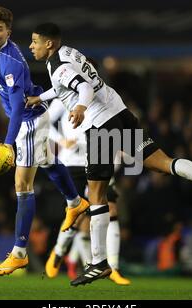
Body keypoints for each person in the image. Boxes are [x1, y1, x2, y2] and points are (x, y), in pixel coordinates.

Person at [27, 22, 192, 286]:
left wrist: (79, 107)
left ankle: (98, 263)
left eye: (35, 41)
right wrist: (41, 97)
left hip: (100, 124)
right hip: (120, 114)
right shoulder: (69, 53)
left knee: (97, 196)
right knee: (163, 163)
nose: (31, 46)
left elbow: (83, 89)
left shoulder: (58, 65)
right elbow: (67, 85)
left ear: (49, 44)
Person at [0, 7, 89, 276]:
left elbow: (18, 108)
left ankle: (19, 252)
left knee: (22, 184)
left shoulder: (11, 64)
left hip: (28, 122)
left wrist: (8, 144)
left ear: (8, 32)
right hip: (29, 119)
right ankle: (76, 202)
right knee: (47, 160)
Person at [45, 98, 130, 285]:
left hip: (98, 157)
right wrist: (61, 140)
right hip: (73, 163)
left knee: (111, 208)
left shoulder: (100, 95)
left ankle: (113, 267)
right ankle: (59, 251)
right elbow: (44, 121)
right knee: (77, 212)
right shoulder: (63, 96)